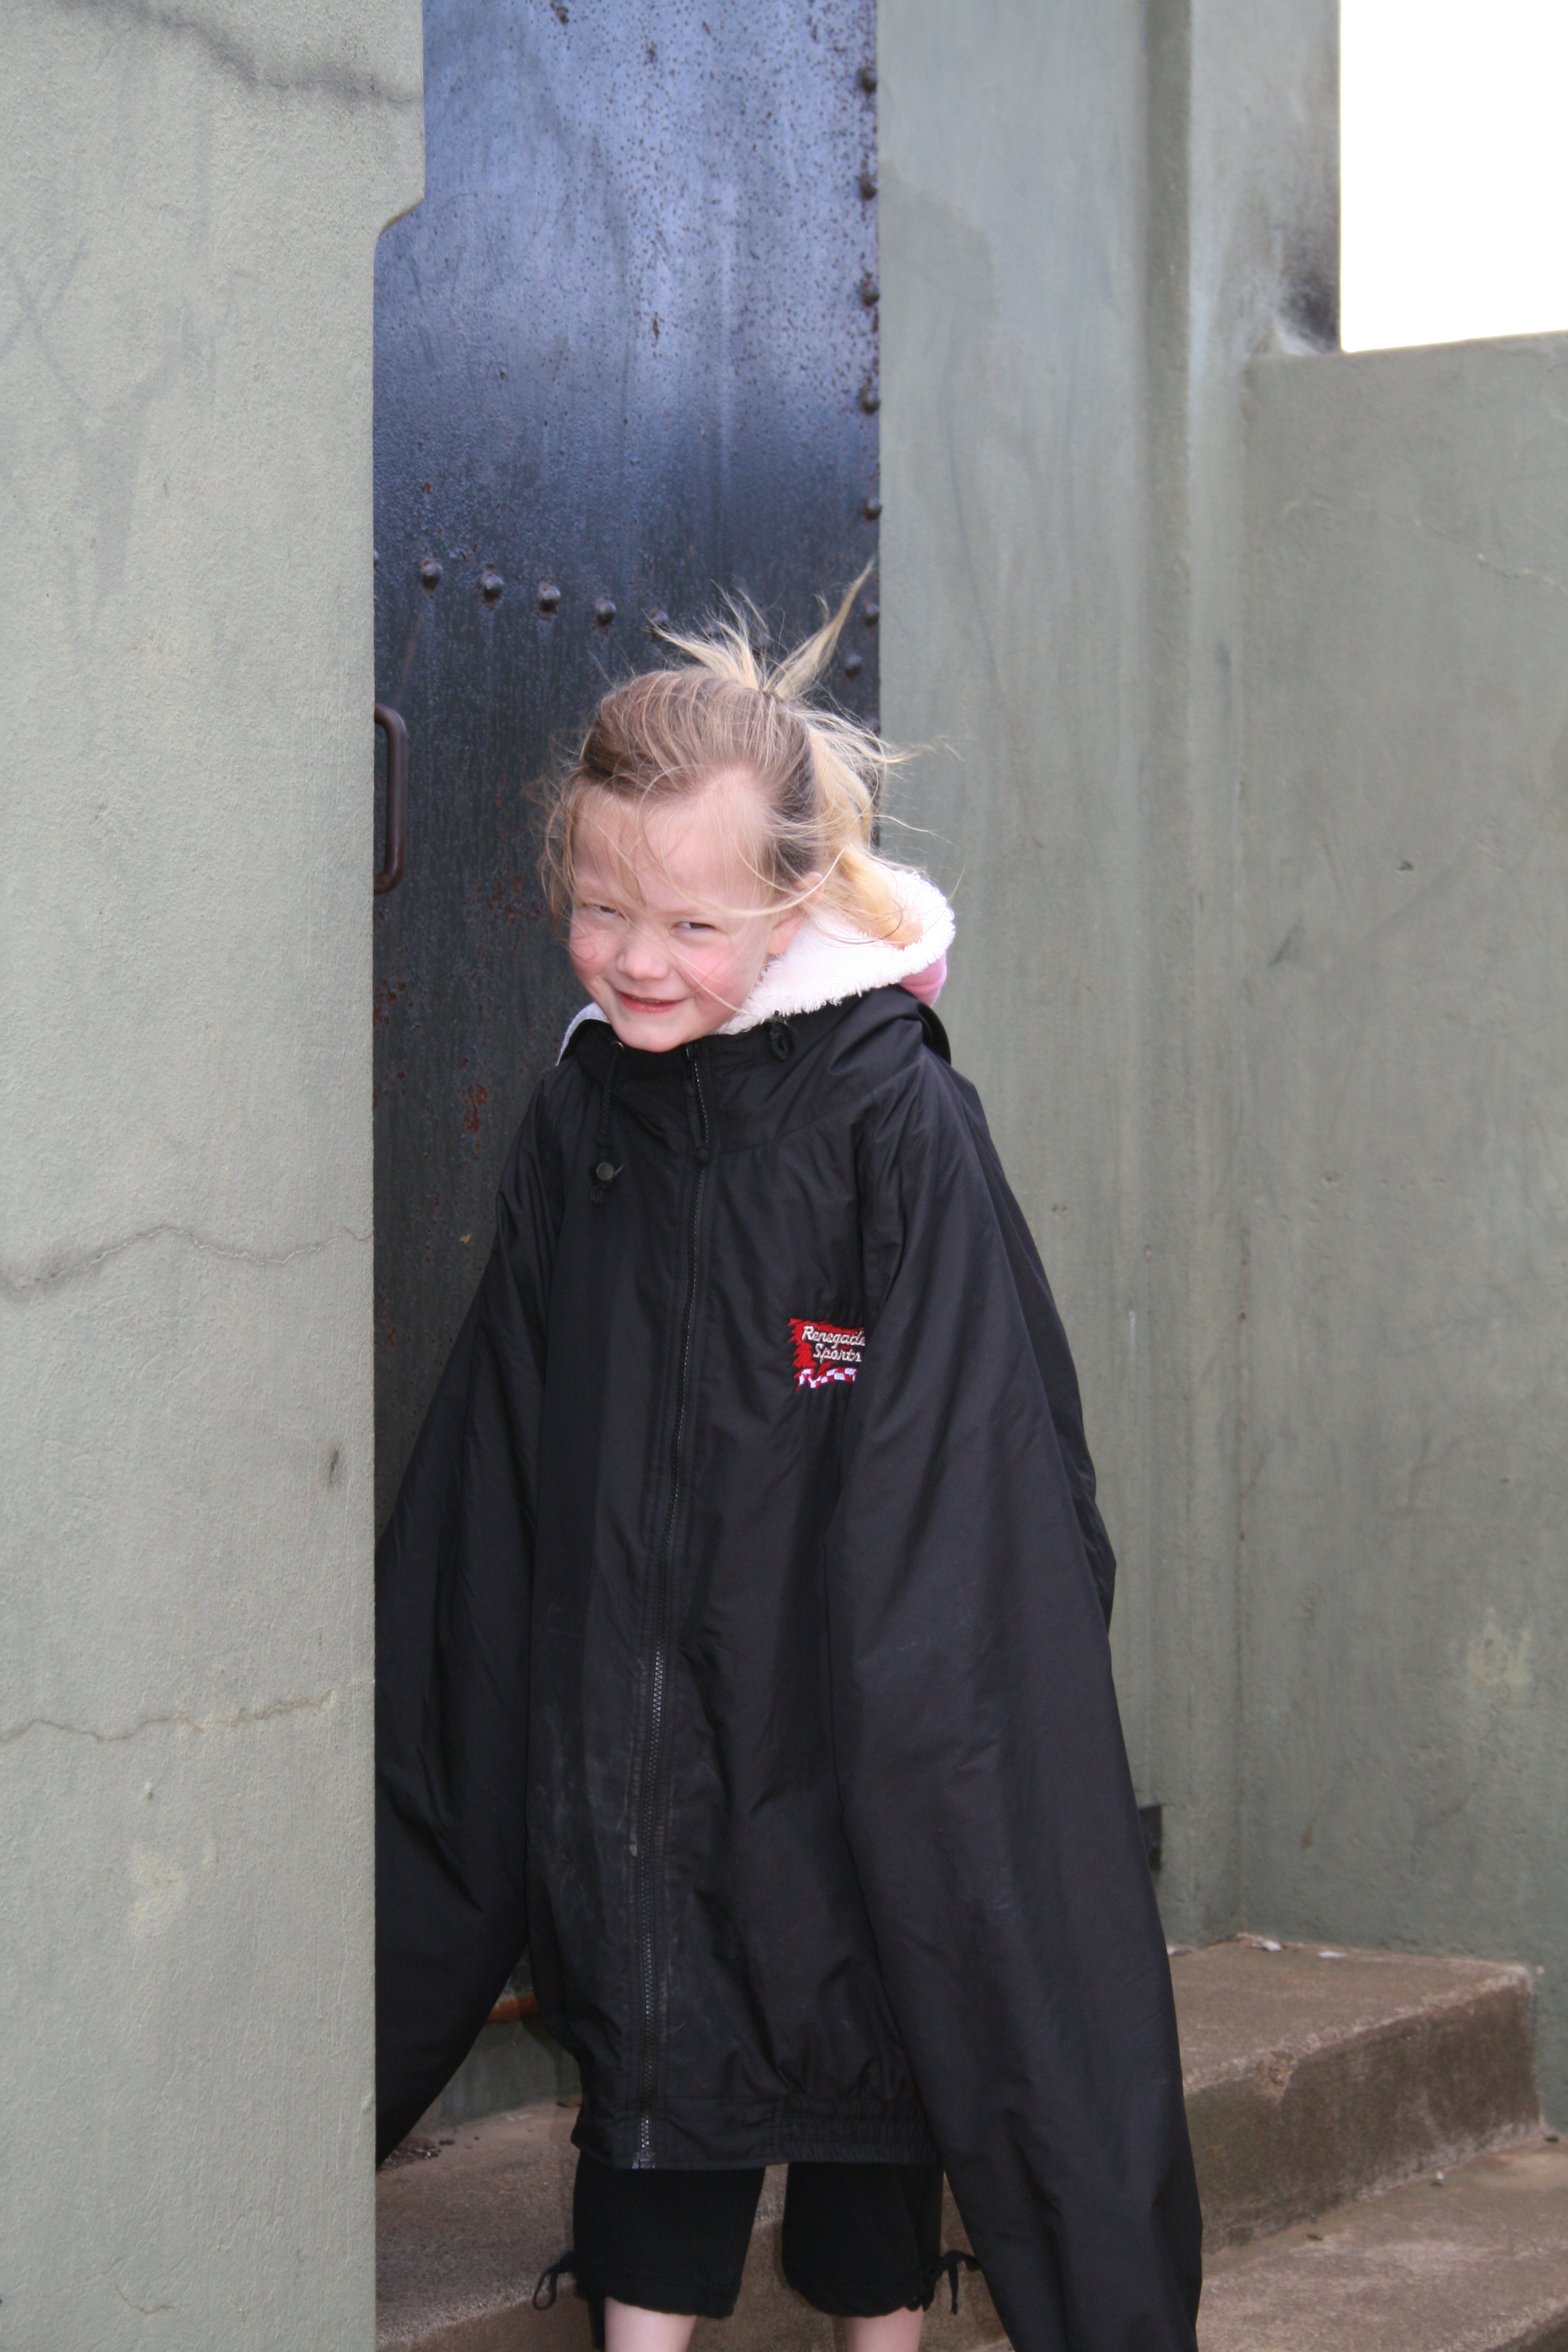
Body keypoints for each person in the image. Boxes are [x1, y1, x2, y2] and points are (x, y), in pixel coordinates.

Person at [374, 587, 1202, 2352]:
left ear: (796, 900)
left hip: (842, 1754)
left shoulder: (894, 1116)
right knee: (657, 2091)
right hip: (641, 1754)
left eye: (691, 921)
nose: (637, 958)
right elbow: (502, 1461)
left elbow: (992, 1475)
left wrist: (919, 1739)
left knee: (867, 2089)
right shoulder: (583, 1120)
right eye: (601, 910)